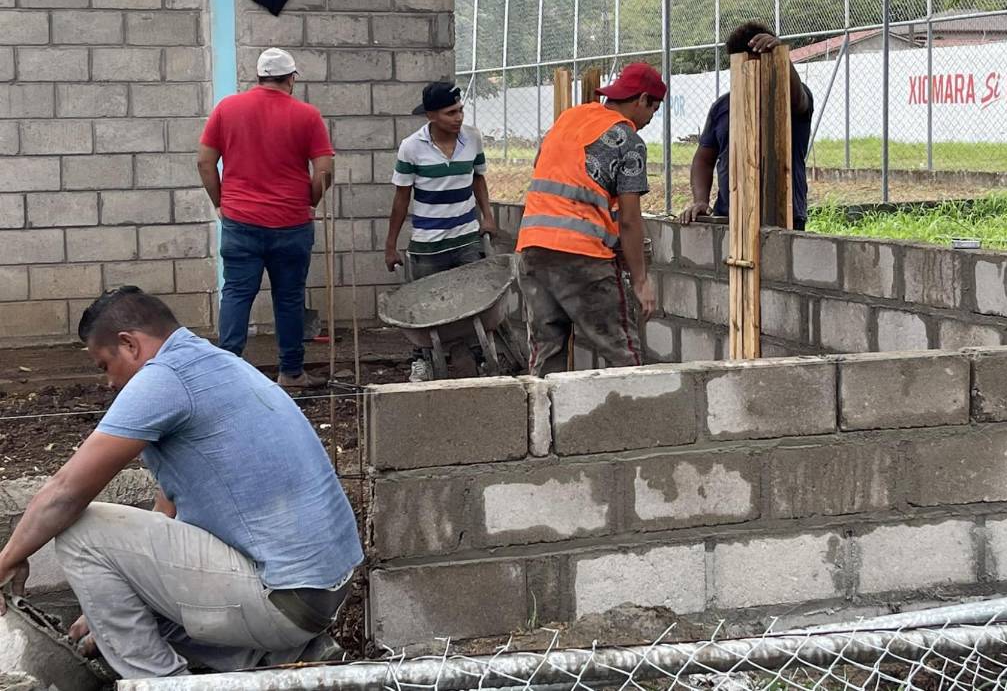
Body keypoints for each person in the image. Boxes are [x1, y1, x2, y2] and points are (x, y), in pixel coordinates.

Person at [0, 287, 363, 677]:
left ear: (129, 344)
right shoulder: (214, 363)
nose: (108, 383)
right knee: (136, 602)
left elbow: (65, 492)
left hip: (281, 598)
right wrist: (103, 608)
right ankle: (280, 659)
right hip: (321, 592)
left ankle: (159, 683)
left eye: (104, 365)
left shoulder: (164, 379)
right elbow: (166, 516)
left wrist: (7, 559)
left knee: (80, 531)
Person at [197, 47, 334, 391]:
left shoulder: (228, 108)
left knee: (237, 294)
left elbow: (204, 162)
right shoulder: (307, 115)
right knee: (289, 297)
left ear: (257, 77)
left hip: (240, 221)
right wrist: (310, 201)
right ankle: (291, 372)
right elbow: (325, 171)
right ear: (291, 79)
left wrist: (221, 203)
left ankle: (227, 372)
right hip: (291, 223)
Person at [516, 62, 663, 377]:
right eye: (654, 107)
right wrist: (640, 281)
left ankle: (543, 423)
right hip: (581, 256)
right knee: (622, 352)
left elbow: (556, 173)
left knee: (546, 353)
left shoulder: (569, 118)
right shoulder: (628, 139)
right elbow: (629, 219)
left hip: (532, 248)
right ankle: (636, 421)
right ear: (642, 99)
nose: (652, 117)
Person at [384, 81, 497, 381]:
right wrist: (391, 245)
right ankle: (421, 360)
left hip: (466, 238)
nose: (459, 118)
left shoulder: (472, 139)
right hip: (428, 244)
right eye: (450, 113)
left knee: (474, 301)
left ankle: (478, 358)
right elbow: (401, 198)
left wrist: (487, 216)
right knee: (424, 307)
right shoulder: (412, 147)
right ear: (431, 116)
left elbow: (479, 180)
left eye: (460, 110)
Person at [680, 22, 814, 228]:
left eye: (761, 63)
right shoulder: (723, 106)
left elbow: (799, 101)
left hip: (785, 216)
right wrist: (700, 200)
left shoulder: (789, 96)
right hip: (730, 216)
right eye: (743, 66)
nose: (752, 73)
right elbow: (703, 160)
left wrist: (781, 54)